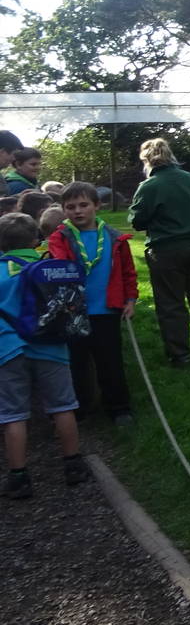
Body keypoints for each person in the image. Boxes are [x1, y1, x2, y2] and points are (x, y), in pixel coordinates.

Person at [0, 213, 89, 499]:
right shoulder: (53, 268)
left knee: (13, 414)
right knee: (63, 406)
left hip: (8, 349)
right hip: (51, 345)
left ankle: (19, 477)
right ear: (36, 239)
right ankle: (73, 465)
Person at [128, 138, 190, 367]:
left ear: (146, 160)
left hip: (166, 249)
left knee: (170, 303)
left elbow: (137, 220)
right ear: (170, 155)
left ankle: (180, 355)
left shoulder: (149, 186)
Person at [50, 182, 138, 425]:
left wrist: (130, 299)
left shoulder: (115, 238)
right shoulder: (60, 238)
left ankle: (118, 407)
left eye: (83, 205)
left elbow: (128, 273)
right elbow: (58, 267)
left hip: (107, 310)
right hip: (73, 311)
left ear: (97, 205)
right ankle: (78, 407)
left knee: (110, 360)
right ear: (63, 210)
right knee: (76, 362)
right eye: (71, 207)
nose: (77, 211)